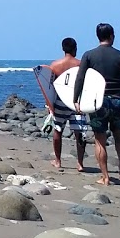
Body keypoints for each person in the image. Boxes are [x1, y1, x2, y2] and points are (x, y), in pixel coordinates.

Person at [72, 22, 120, 186]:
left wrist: (75, 99)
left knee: (100, 140)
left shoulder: (89, 55)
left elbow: (80, 78)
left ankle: (105, 177)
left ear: (98, 37)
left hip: (99, 103)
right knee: (119, 137)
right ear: (112, 36)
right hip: (118, 101)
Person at [46, 37, 88, 172]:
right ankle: (80, 163)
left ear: (63, 49)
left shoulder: (55, 65)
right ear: (75, 48)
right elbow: (87, 85)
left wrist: (49, 105)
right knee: (79, 132)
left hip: (60, 101)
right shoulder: (81, 64)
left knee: (58, 130)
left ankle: (58, 161)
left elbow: (50, 88)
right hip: (77, 103)